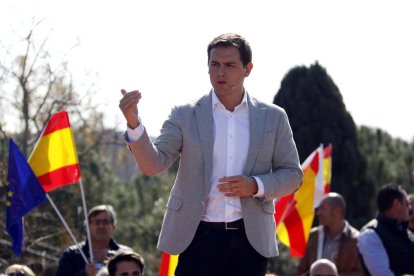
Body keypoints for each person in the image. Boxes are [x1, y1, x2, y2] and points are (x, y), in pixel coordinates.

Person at [119, 33, 303, 275]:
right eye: (214, 64)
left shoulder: (274, 117)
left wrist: (255, 185)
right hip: (197, 236)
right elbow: (153, 165)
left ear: (248, 69)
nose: (220, 72)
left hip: (251, 239)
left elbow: (292, 175)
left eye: (229, 65)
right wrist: (134, 123)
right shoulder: (184, 115)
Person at [296, 193, 364, 276]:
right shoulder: (313, 236)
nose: (318, 213)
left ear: (337, 211)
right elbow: (300, 271)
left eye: (322, 209)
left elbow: (363, 273)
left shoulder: (357, 240)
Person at [55, 204, 131, 276]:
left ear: (113, 226)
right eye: (96, 222)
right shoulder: (72, 255)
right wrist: (84, 273)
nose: (101, 226)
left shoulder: (125, 254)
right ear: (87, 227)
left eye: (105, 222)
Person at [358, 184, 414, 275]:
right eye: (407, 204)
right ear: (396, 204)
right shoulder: (370, 235)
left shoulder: (406, 233)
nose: (410, 208)